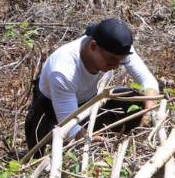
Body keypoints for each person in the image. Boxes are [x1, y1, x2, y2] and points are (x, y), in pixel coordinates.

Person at [25, 18, 158, 156]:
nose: (117, 66)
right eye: (111, 60)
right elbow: (69, 128)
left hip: (92, 103)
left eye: (121, 61)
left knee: (137, 102)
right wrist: (94, 142)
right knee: (47, 154)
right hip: (51, 111)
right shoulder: (63, 70)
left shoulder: (118, 49)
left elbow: (149, 82)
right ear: (93, 46)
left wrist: (149, 111)